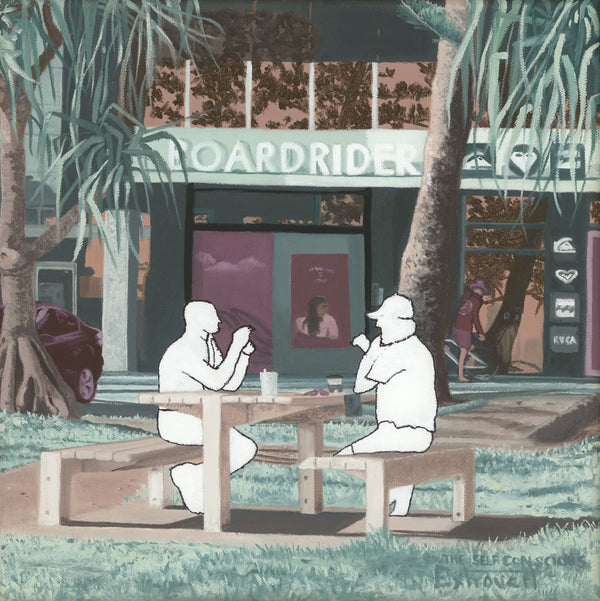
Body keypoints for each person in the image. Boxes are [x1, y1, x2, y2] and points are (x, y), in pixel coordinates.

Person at [337, 293, 437, 517]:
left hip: (402, 433)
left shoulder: (398, 352)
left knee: (341, 457)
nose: (378, 323)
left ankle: (390, 493)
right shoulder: (413, 347)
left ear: (394, 322)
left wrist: (371, 350)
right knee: (385, 450)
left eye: (382, 318)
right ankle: (399, 498)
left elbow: (360, 386)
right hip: (411, 433)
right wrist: (374, 351)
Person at [157, 301, 258, 514]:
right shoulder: (184, 349)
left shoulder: (208, 345)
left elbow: (228, 385)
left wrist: (243, 356)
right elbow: (216, 381)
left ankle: (191, 476)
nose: (219, 321)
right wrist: (235, 346)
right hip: (177, 420)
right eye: (213, 316)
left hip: (199, 418)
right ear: (197, 320)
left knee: (245, 447)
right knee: (242, 447)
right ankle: (191, 479)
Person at [451, 280, 490, 382]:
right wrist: (480, 332)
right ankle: (461, 376)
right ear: (479, 290)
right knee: (463, 351)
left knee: (460, 349)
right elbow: (475, 318)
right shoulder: (476, 300)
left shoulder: (466, 297)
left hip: (456, 326)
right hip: (464, 328)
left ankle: (460, 374)